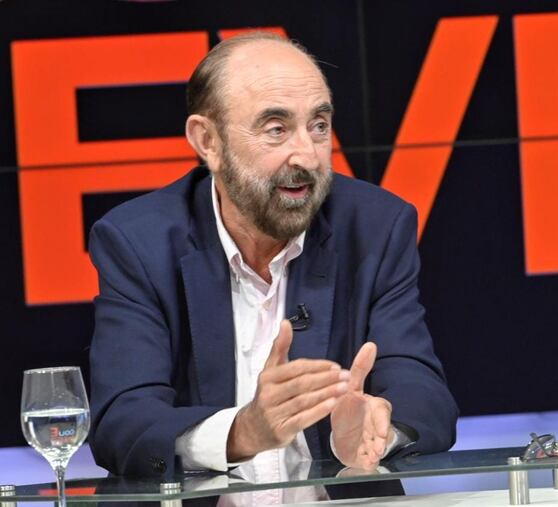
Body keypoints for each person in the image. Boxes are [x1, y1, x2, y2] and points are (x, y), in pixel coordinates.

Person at [88, 32, 458, 502]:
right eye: (276, 129)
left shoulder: (376, 227)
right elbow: (123, 420)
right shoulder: (138, 242)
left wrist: (379, 430)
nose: (307, 156)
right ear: (208, 141)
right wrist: (241, 432)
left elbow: (423, 389)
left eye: (319, 126)